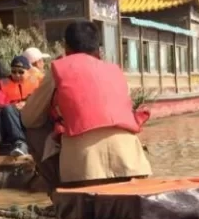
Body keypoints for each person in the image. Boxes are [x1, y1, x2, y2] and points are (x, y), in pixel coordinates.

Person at [20, 20, 152, 190]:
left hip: (84, 171)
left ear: (66, 48)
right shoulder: (115, 71)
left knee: (32, 129)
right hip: (133, 165)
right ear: (98, 50)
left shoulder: (58, 70)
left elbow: (28, 119)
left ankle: (58, 191)